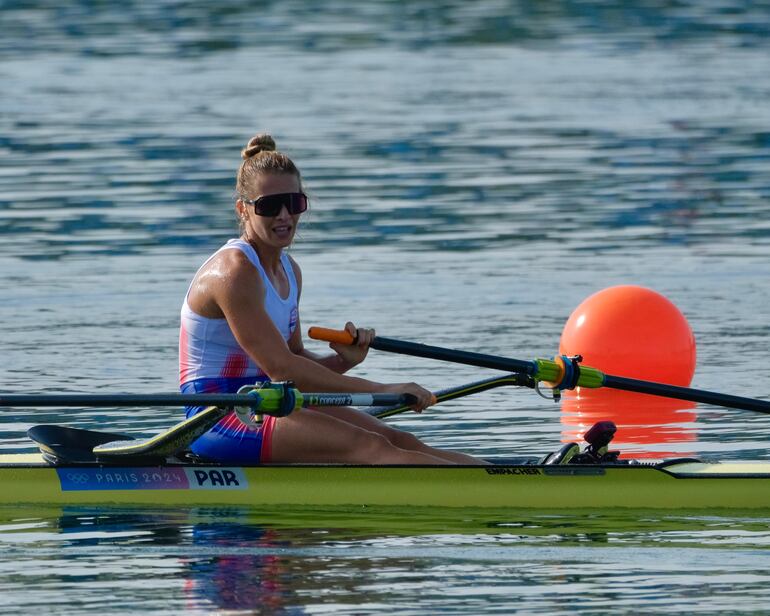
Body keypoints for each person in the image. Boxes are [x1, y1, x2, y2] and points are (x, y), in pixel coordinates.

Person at [179, 133, 485, 465]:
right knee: (369, 446)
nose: (284, 216)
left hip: (270, 402)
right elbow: (281, 368)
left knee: (398, 439)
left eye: (294, 204)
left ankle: (509, 481)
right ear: (243, 209)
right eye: (270, 206)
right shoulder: (234, 272)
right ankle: (495, 498)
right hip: (217, 419)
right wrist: (382, 390)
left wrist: (343, 361)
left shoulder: (289, 270)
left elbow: (293, 359)